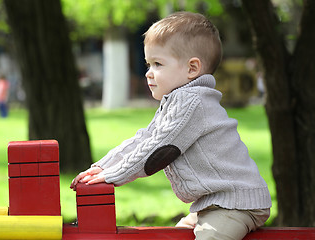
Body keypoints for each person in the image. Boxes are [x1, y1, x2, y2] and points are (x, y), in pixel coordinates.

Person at [70, 12, 272, 240]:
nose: (148, 73)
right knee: (174, 236)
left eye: (158, 64)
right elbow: (144, 138)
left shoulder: (192, 103)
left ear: (192, 68)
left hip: (236, 202)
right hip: (211, 204)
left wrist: (113, 176)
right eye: (148, 64)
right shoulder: (178, 101)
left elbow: (159, 149)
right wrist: (103, 167)